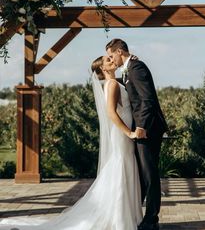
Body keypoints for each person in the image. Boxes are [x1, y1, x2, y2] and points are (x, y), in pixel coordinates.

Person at [0, 55, 143, 230]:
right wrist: (129, 132)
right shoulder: (112, 85)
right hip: (123, 133)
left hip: (121, 134)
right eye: (108, 61)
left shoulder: (114, 83)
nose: (112, 60)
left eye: (111, 58)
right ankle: (120, 219)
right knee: (121, 168)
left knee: (122, 167)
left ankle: (124, 216)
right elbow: (112, 114)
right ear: (103, 69)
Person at [106, 39, 168, 230]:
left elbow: (147, 100)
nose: (111, 59)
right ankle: (138, 214)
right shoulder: (129, 68)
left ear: (119, 51)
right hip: (141, 129)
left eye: (111, 55)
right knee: (143, 174)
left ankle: (151, 220)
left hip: (147, 129)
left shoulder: (136, 67)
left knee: (149, 174)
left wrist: (141, 126)